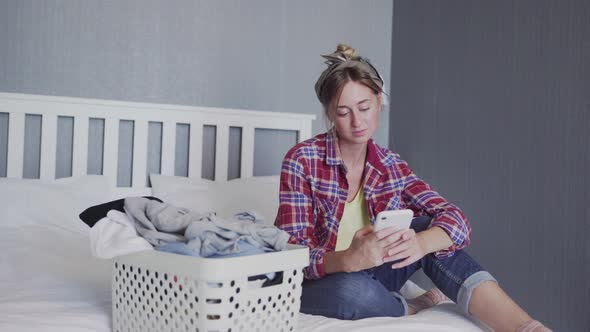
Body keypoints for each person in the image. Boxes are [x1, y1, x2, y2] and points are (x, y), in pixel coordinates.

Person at [274, 44, 550, 332]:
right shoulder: (302, 160)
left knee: (432, 230)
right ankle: (411, 306)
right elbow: (294, 257)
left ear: (379, 100)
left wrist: (421, 243)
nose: (357, 122)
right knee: (351, 290)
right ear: (330, 113)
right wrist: (347, 258)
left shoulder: (390, 165)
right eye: (343, 112)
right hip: (324, 281)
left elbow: (457, 221)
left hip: (375, 272)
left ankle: (526, 327)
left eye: (364, 107)